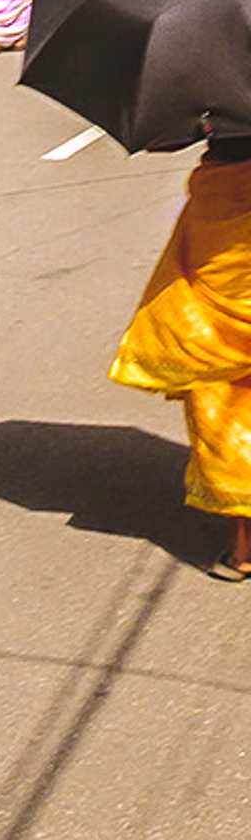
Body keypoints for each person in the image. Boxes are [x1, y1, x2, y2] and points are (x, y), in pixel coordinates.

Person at [109, 122, 251, 579]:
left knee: (220, 383)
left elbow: (163, 136)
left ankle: (243, 538)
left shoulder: (209, 62)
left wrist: (201, 121)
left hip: (221, 222)